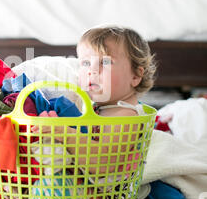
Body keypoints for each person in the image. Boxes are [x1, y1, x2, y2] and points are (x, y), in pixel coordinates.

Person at [32, 26, 157, 175]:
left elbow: (104, 164)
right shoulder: (98, 108)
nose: (92, 70)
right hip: (84, 186)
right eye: (86, 63)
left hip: (106, 196)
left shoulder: (126, 115)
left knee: (49, 184)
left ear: (135, 76)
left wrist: (65, 134)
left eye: (105, 62)